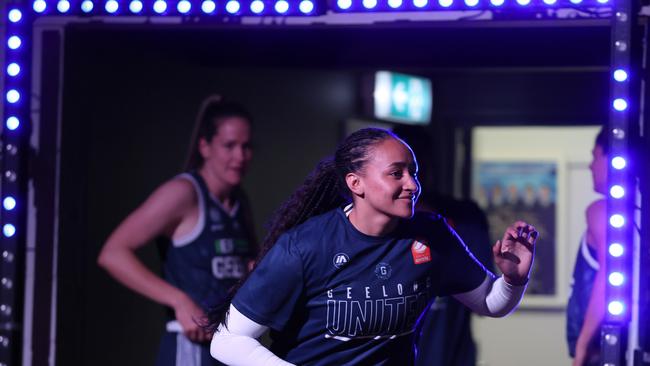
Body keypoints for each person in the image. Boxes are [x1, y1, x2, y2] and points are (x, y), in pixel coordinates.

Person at [207, 128, 538, 365]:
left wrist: (513, 279)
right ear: (356, 183)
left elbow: (490, 303)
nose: (412, 184)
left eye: (413, 173)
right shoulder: (306, 246)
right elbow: (226, 341)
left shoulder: (431, 236)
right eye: (397, 174)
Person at [97, 96, 257, 366]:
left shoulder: (239, 201)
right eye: (229, 146)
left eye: (246, 146)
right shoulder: (183, 193)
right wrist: (179, 301)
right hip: (190, 348)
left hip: (230, 348)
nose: (240, 156)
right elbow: (112, 254)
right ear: (205, 147)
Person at [391, 124, 494, 366]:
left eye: (418, 165)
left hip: (450, 353)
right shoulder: (377, 225)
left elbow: (486, 297)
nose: (412, 177)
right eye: (399, 169)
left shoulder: (463, 216)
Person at [566, 127, 608, 366]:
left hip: (597, 351)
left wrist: (582, 346)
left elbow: (607, 276)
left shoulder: (601, 211)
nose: (591, 165)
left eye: (595, 156)